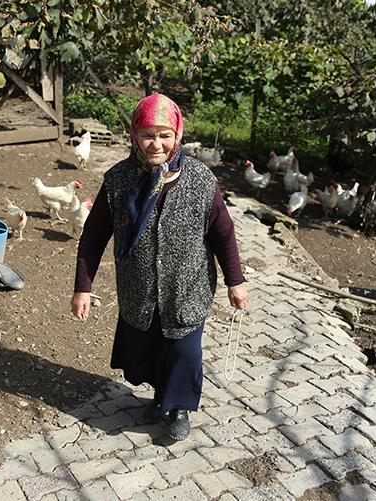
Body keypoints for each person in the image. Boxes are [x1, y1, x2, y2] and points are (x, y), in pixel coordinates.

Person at [71, 93, 248, 441]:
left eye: (165, 135)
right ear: (135, 135)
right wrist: (83, 286)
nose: (157, 144)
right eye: (148, 134)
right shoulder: (118, 181)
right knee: (148, 347)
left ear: (177, 134)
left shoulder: (200, 180)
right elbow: (93, 237)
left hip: (188, 286)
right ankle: (159, 396)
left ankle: (179, 408)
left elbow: (223, 232)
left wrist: (235, 280)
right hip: (140, 287)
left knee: (184, 349)